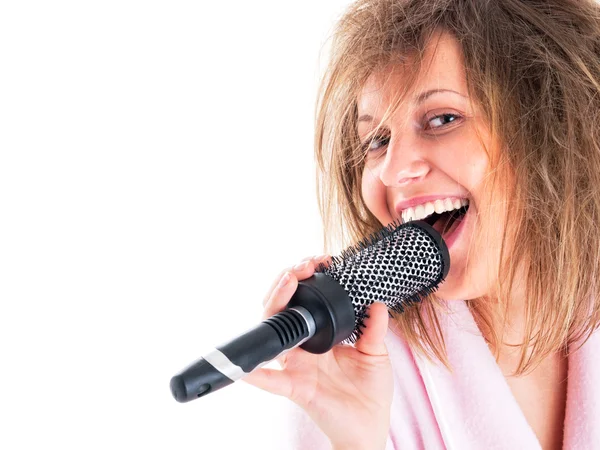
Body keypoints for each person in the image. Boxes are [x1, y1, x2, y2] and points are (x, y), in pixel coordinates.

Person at [244, 0, 600, 448]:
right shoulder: (354, 374)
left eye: (442, 119)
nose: (393, 170)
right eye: (377, 140)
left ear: (554, 126)